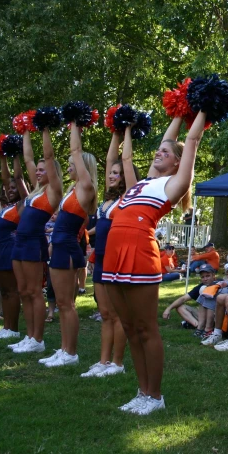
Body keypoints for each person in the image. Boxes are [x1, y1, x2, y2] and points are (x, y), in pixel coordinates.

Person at [103, 109, 208, 415]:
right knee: (130, 327)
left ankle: (155, 395)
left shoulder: (173, 184)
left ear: (177, 161)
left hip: (139, 253)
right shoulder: (142, 182)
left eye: (166, 151)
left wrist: (200, 109)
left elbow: (191, 139)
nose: (159, 151)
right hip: (114, 254)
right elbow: (161, 142)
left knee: (146, 328)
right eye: (157, 150)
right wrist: (177, 111)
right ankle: (142, 390)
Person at [38, 123, 99, 368]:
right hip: (61, 245)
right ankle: (64, 349)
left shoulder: (86, 187)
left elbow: (75, 149)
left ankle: (70, 352)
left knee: (66, 303)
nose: (70, 166)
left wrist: (74, 123)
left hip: (68, 248)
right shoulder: (73, 189)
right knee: (62, 303)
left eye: (74, 164)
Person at [82, 128, 139, 379]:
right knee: (105, 314)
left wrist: (126, 130)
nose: (113, 175)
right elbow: (109, 160)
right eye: (111, 173)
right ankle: (103, 361)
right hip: (101, 258)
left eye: (118, 173)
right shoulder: (105, 201)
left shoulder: (129, 197)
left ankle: (117, 363)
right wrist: (115, 131)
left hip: (118, 261)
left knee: (116, 315)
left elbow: (123, 160)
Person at [9, 125, 63, 355]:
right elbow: (28, 158)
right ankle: (29, 335)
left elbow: (48, 156)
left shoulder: (54, 190)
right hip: (19, 242)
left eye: (43, 169)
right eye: (38, 170)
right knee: (23, 291)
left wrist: (45, 128)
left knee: (33, 291)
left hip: (33, 243)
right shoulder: (35, 191)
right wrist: (25, 130)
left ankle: (38, 338)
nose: (39, 172)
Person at [0, 156, 27, 339]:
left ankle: (13, 329)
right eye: (7, 188)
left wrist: (16, 157)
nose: (10, 190)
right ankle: (6, 327)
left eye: (14, 188)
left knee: (11, 291)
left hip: (11, 248)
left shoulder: (22, 204)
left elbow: (17, 178)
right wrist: (3, 157)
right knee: (4, 291)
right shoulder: (4, 205)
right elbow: (5, 177)